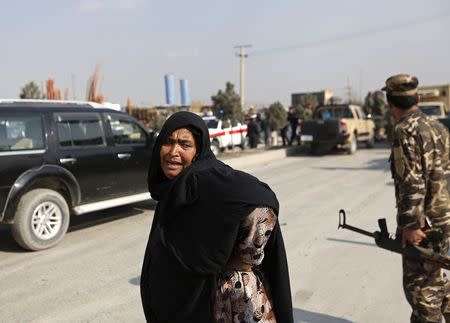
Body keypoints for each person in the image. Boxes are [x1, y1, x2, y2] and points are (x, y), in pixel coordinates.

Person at [140, 111, 293, 323]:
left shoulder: (204, 181)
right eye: (168, 142)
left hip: (228, 305)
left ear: (197, 151)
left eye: (184, 145)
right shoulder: (173, 192)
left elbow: (261, 198)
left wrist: (242, 258)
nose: (173, 152)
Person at [382, 74, 450, 323]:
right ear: (418, 98)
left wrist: (411, 225)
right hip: (444, 219)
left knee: (422, 292)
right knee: (438, 280)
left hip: (424, 225)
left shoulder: (405, 131)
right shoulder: (438, 127)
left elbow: (412, 180)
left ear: (390, 103)